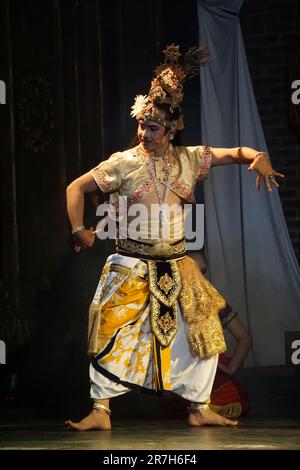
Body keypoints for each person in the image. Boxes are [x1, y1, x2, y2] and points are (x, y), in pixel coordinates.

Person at [65, 44, 284, 431]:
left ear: (171, 131)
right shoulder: (124, 163)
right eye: (141, 125)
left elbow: (234, 153)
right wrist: (80, 230)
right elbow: (75, 188)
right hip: (131, 261)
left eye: (152, 128)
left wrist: (258, 156)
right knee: (106, 324)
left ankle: (199, 407)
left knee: (202, 330)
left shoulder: (190, 159)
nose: (143, 133)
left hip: (178, 263)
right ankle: (101, 409)